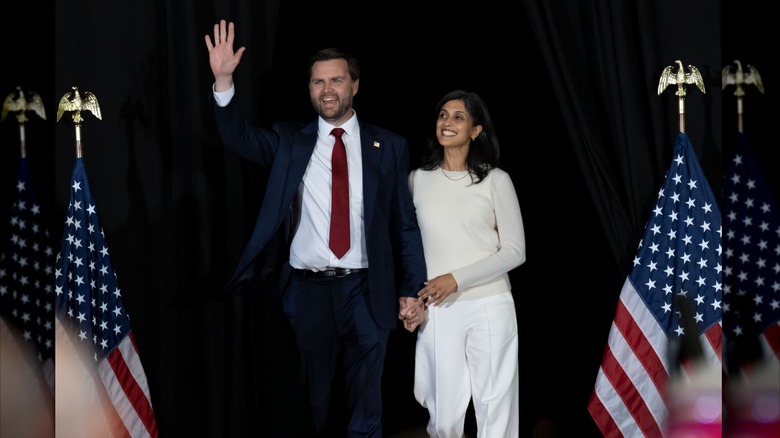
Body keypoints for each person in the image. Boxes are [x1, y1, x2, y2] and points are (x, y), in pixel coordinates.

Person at [204, 20, 427, 437]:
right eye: (318, 82)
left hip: (366, 290)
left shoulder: (389, 145)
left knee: (366, 410)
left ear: (355, 86)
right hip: (307, 293)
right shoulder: (290, 141)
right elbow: (239, 139)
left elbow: (404, 224)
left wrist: (412, 288)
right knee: (321, 406)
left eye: (337, 80)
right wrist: (223, 79)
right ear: (309, 89)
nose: (327, 89)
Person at [399, 90, 526, 437]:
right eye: (443, 115)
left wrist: (456, 278)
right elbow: (407, 247)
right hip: (439, 309)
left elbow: (515, 251)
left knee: (495, 410)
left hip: (490, 305)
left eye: (458, 117)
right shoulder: (417, 181)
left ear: (475, 130)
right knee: (443, 416)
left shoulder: (496, 180)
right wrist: (413, 297)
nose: (447, 122)